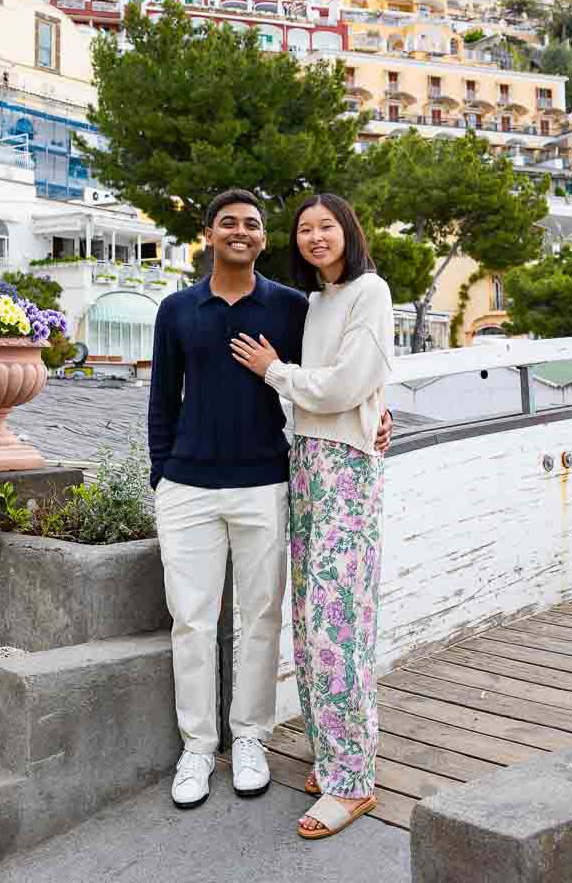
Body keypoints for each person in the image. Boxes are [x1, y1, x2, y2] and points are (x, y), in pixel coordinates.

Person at [149, 188, 392, 811]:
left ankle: (251, 738)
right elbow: (160, 403)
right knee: (192, 623)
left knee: (261, 621)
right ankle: (199, 748)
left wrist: (376, 410)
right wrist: (161, 475)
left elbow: (349, 365)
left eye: (252, 224)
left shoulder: (292, 307)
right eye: (227, 222)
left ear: (262, 238)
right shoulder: (177, 309)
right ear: (208, 233)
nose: (241, 231)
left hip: (266, 483)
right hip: (188, 488)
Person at [230, 193, 394, 840]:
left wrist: (276, 372)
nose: (316, 237)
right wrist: (362, 404)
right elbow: (354, 386)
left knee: (338, 627)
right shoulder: (318, 303)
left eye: (327, 226)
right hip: (308, 464)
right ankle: (336, 755)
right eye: (305, 229)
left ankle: (353, 782)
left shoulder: (369, 290)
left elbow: (349, 384)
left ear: (348, 230)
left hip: (345, 469)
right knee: (311, 619)